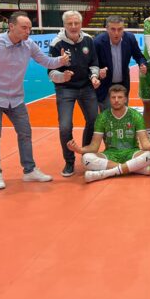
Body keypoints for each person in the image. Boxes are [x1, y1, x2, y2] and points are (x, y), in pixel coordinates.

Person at [0, 11, 70, 190]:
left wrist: (62, 60)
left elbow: (45, 61)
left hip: (16, 98)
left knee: (25, 133)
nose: (28, 31)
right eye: (24, 27)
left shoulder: (29, 45)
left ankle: (29, 170)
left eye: (29, 28)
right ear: (11, 26)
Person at [66, 85, 150, 183]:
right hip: (110, 154)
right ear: (109, 99)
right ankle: (135, 168)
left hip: (132, 153)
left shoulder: (135, 116)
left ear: (125, 99)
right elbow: (94, 146)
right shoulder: (102, 117)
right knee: (86, 158)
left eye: (120, 97)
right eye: (113, 97)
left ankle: (106, 173)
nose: (116, 100)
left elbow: (145, 144)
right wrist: (79, 149)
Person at [48, 10, 100, 177]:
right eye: (69, 23)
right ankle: (69, 162)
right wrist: (62, 76)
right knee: (65, 127)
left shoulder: (88, 40)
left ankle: (86, 154)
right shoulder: (57, 44)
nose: (73, 26)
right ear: (64, 25)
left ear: (81, 24)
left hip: (86, 87)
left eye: (76, 23)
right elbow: (50, 72)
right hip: (65, 89)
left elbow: (94, 63)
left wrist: (94, 77)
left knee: (94, 121)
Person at [94, 15, 147, 111]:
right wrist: (98, 71)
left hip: (123, 84)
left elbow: (139, 56)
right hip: (105, 85)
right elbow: (91, 63)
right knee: (107, 114)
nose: (116, 33)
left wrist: (142, 64)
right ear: (107, 29)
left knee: (123, 113)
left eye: (120, 29)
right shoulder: (98, 42)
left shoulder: (130, 38)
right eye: (113, 29)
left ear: (123, 28)